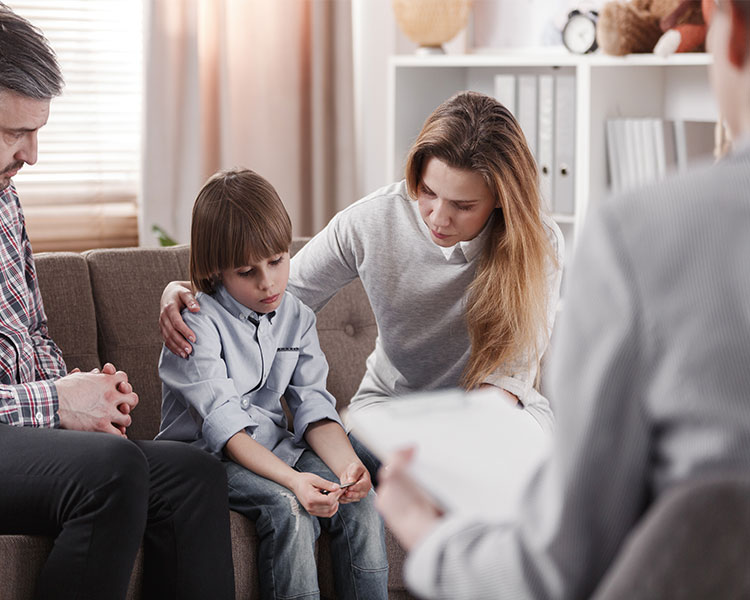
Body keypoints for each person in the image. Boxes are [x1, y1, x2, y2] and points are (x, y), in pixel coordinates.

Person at [374, 1, 750, 598]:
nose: (438, 216)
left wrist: (424, 530)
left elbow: (559, 566)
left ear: (729, 33)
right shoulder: (376, 220)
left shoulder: (642, 235)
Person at [159, 91, 565, 477]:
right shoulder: (373, 221)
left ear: (500, 199)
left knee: (508, 466)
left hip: (494, 414)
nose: (438, 218)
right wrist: (193, 294)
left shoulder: (537, 243)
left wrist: (452, 445)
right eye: (428, 192)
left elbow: (509, 379)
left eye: (463, 206)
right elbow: (280, 294)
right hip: (391, 411)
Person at [0, 6, 234, 599]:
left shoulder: (5, 202)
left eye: (38, 131)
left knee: (193, 475)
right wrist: (54, 402)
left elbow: (33, 334)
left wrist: (85, 398)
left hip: (24, 434)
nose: (32, 155)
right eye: (14, 133)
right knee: (113, 471)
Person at [157, 168, 388, 600]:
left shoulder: (297, 316)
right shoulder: (195, 324)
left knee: (359, 502)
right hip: (207, 461)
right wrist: (296, 482)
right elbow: (228, 434)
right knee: (289, 508)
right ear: (215, 269)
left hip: (274, 448)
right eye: (247, 271)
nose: (268, 282)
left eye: (278, 261)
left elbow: (314, 409)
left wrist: (347, 468)